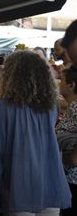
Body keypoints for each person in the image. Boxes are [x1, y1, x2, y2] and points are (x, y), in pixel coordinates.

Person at [0, 51, 71, 216]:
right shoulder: (51, 105)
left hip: (20, 186)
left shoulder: (4, 107)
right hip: (50, 183)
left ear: (11, 76)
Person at [56, 67, 77, 216]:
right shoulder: (72, 107)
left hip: (73, 181)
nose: (59, 84)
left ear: (72, 85)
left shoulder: (76, 109)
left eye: (62, 80)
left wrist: (72, 158)